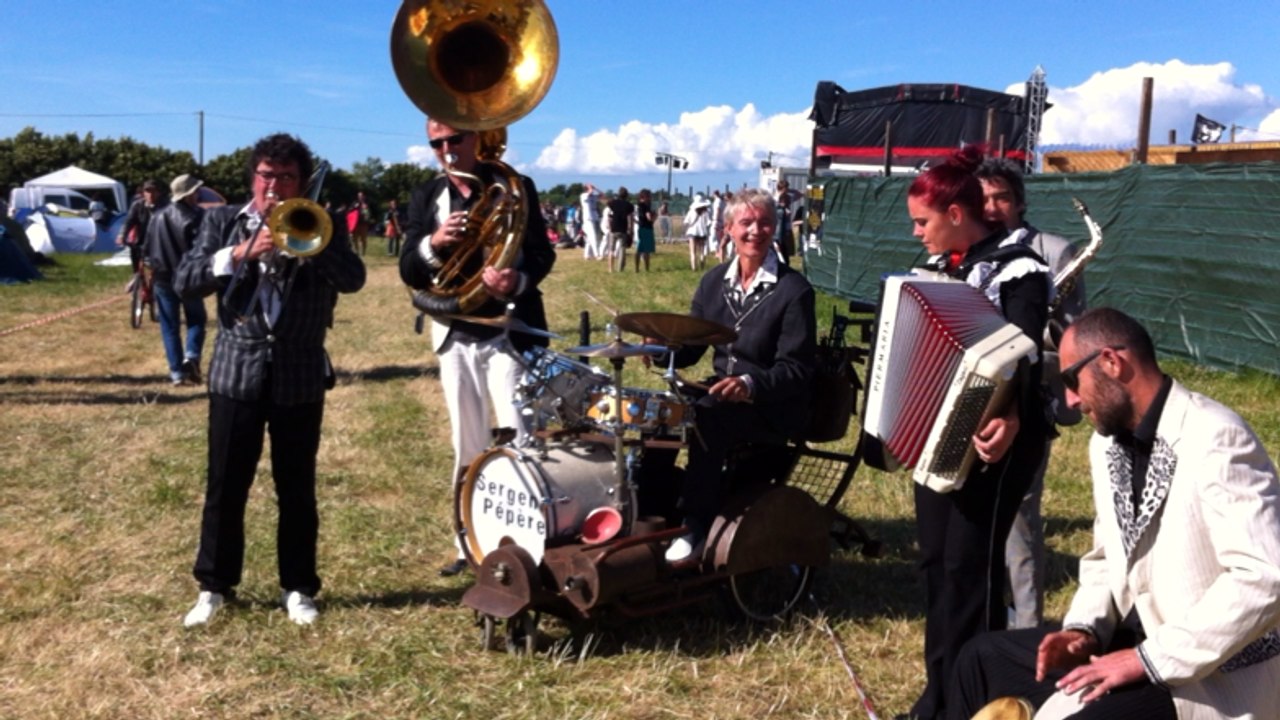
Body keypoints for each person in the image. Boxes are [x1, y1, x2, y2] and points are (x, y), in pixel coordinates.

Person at [949, 307, 1280, 720]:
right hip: (1128, 648)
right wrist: (1082, 632)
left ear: (1111, 362)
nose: (1069, 399)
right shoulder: (1106, 444)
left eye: (1071, 379)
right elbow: (1107, 559)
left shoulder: (1216, 437)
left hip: (1212, 674)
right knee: (980, 658)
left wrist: (1147, 659)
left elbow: (1265, 576)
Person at [175, 133, 366, 627]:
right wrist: (239, 253)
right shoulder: (220, 221)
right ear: (252, 179)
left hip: (299, 375)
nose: (274, 186)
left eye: (285, 177)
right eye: (266, 176)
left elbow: (353, 278)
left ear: (301, 182)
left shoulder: (321, 220)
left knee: (297, 487)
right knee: (225, 484)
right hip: (235, 373)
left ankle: (299, 587)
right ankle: (214, 586)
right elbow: (185, 279)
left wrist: (314, 243)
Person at [901, 146, 1052, 720]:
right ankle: (939, 691)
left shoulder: (1020, 267)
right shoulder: (940, 271)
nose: (918, 234)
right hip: (939, 437)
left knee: (972, 570)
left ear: (957, 214)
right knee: (937, 563)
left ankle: (978, 700)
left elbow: (1023, 349)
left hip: (996, 443)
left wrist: (1010, 412)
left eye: (923, 222)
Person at [400, 118, 556, 577]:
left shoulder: (513, 185)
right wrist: (433, 241)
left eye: (455, 139)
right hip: (455, 333)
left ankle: (531, 539)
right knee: (466, 441)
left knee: (521, 438)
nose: (447, 150)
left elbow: (541, 254)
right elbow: (409, 268)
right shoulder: (426, 198)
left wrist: (517, 278)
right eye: (437, 143)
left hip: (507, 330)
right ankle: (466, 541)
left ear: (476, 138)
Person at [660, 188, 817, 561]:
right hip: (719, 396)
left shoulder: (794, 291)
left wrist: (749, 384)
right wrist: (663, 347)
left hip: (772, 405)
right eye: (746, 222)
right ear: (728, 228)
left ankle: (694, 524)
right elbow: (693, 349)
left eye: (765, 223)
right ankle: (657, 509)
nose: (756, 231)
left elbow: (797, 370)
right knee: (657, 418)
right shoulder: (713, 282)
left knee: (708, 420)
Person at [974, 157, 1089, 632]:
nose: (993, 207)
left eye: (1002, 197)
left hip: (1026, 395)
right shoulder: (971, 250)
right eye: (983, 198)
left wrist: (1037, 325)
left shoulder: (1055, 251)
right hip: (974, 393)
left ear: (1019, 201)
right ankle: (982, 617)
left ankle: (1027, 630)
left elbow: (1072, 337)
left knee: (1021, 516)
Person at [143, 174, 208, 386]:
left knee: (169, 326)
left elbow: (147, 247)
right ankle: (192, 355)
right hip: (187, 276)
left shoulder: (157, 216)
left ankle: (177, 373)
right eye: (196, 191)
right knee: (196, 319)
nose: (198, 195)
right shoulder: (197, 217)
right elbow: (201, 248)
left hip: (162, 275)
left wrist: (149, 267)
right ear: (188, 195)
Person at [118, 179, 164, 273]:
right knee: (136, 261)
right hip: (141, 241)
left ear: (159, 193)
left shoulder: (166, 206)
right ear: (143, 193)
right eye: (147, 191)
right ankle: (138, 277)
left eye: (153, 191)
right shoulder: (137, 205)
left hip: (159, 242)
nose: (150, 194)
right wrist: (122, 235)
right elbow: (128, 222)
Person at [606, 187, 634, 273]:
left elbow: (607, 205)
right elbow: (630, 218)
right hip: (623, 228)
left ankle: (611, 269)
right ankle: (620, 269)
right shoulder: (629, 205)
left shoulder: (613, 203)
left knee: (611, 249)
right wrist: (631, 230)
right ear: (627, 195)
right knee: (622, 249)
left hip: (613, 228)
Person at [684, 195, 712, 271]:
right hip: (702, 232)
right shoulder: (706, 212)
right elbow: (709, 223)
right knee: (702, 251)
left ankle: (694, 268)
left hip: (692, 231)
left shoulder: (691, 211)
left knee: (693, 251)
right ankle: (702, 266)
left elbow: (686, 222)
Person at [634, 189, 656, 272]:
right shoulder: (646, 206)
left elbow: (634, 218)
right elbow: (649, 218)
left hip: (641, 227)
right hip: (647, 228)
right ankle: (646, 268)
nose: (650, 198)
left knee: (639, 249)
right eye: (649, 196)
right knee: (645, 250)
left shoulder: (638, 205)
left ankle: (637, 268)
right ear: (645, 196)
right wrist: (655, 216)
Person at [580, 183, 603, 260]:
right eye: (589, 187)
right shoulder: (583, 195)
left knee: (595, 236)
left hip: (595, 217)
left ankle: (587, 255)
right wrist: (590, 188)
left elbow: (602, 195)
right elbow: (589, 193)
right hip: (588, 218)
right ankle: (597, 255)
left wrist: (596, 188)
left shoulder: (593, 196)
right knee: (592, 236)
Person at [346, 191, 372, 256]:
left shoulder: (367, 203)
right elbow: (349, 211)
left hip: (363, 224)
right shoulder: (355, 203)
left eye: (361, 196)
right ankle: (356, 251)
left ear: (364, 196)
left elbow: (369, 214)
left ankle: (363, 251)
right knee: (355, 238)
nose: (360, 197)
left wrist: (366, 209)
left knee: (363, 239)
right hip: (355, 224)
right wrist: (354, 207)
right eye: (359, 196)